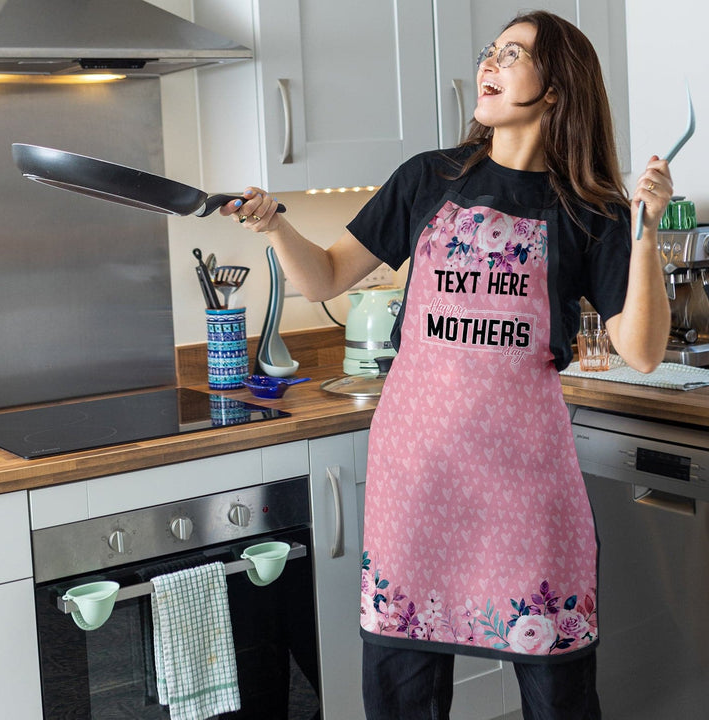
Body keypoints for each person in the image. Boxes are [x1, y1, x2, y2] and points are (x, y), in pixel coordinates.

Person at [220, 10, 671, 719]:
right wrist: (276, 223)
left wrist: (645, 235)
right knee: (402, 696)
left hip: (527, 492)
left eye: (512, 55)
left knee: (559, 693)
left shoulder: (591, 209)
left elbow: (641, 350)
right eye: (490, 52)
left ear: (555, 90)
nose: (489, 65)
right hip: (418, 483)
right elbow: (328, 275)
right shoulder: (427, 179)